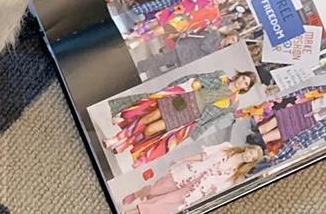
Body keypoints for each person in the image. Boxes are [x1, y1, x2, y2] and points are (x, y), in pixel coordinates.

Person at [104, 71, 257, 167]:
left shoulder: (233, 103)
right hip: (184, 99)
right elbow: (199, 79)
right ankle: (116, 139)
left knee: (151, 130)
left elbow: (213, 120)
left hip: (190, 116)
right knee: (148, 118)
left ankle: (126, 143)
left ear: (246, 88)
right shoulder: (221, 76)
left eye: (246, 83)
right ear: (240, 75)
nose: (242, 82)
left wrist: (196, 131)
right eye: (243, 78)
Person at [121, 142, 264, 214]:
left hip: (195, 191)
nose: (249, 156)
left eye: (252, 158)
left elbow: (217, 190)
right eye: (251, 152)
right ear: (248, 148)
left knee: (162, 203)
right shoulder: (227, 147)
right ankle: (138, 194)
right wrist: (182, 160)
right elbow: (203, 156)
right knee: (155, 190)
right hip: (188, 173)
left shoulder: (236, 175)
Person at [137, 31, 239, 78]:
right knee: (160, 60)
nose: (231, 42)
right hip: (185, 51)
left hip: (189, 61)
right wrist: (214, 53)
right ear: (229, 35)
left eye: (234, 42)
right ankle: (140, 67)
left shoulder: (221, 50)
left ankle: (148, 79)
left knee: (167, 75)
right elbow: (205, 46)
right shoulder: (216, 35)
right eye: (233, 39)